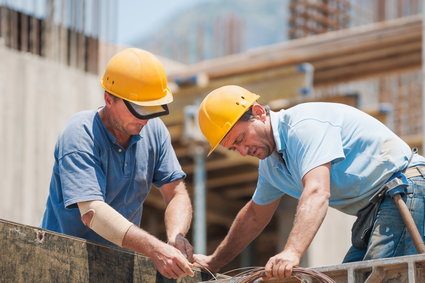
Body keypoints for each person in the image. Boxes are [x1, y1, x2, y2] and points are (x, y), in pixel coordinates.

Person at [194, 85, 425, 279]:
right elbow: (254, 215)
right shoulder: (271, 166)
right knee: (347, 278)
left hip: (405, 187)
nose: (243, 151)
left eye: (242, 139)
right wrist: (214, 263)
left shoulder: (302, 127)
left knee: (381, 276)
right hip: (376, 208)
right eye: (235, 148)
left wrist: (292, 252)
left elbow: (316, 191)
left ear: (258, 112)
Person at [41, 48, 194, 279]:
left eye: (152, 108)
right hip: (62, 265)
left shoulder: (155, 131)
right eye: (138, 109)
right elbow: (92, 212)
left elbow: (176, 193)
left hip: (118, 267)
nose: (144, 118)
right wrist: (154, 249)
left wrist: (176, 237)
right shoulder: (80, 134)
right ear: (109, 99)